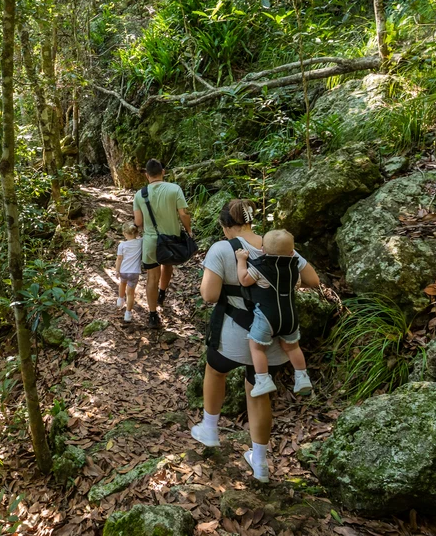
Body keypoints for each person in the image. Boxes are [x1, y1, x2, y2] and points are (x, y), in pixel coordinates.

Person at [190, 199, 321, 483]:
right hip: (274, 337)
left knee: (215, 369)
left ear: (226, 226)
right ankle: (260, 462)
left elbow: (209, 296)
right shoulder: (280, 247)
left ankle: (209, 429)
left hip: (235, 336)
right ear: (251, 221)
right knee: (259, 393)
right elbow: (312, 280)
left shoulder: (222, 249)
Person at [235, 229, 313, 397]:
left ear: (262, 250)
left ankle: (263, 379)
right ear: (293, 252)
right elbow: (297, 285)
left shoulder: (260, 267)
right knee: (292, 347)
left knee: (257, 348)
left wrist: (241, 260)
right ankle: (302, 376)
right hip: (290, 317)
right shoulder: (294, 269)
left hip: (267, 317)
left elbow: (244, 280)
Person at [132, 158, 191, 329]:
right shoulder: (174, 189)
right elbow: (184, 214)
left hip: (151, 242)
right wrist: (189, 231)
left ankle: (152, 315)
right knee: (168, 264)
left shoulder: (139, 194)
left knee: (152, 278)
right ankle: (162, 294)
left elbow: (138, 222)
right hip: (171, 241)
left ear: (146, 175)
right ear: (163, 172)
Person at [114, 222, 142, 324]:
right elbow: (141, 237)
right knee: (130, 294)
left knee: (122, 283)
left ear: (125, 233)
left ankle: (120, 299)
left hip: (124, 270)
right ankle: (128, 314)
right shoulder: (140, 242)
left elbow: (119, 258)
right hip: (134, 272)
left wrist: (117, 270)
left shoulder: (122, 245)